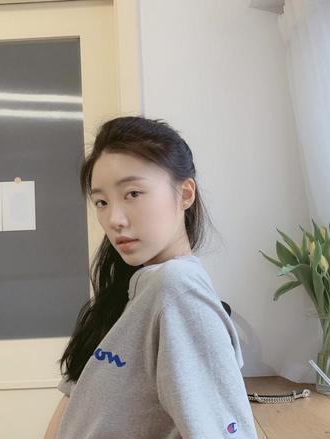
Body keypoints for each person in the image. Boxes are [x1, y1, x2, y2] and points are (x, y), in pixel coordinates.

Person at [44, 116, 258, 439]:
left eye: (133, 193)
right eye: (101, 202)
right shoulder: (128, 294)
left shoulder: (177, 289)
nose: (114, 219)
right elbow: (72, 408)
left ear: (185, 194)